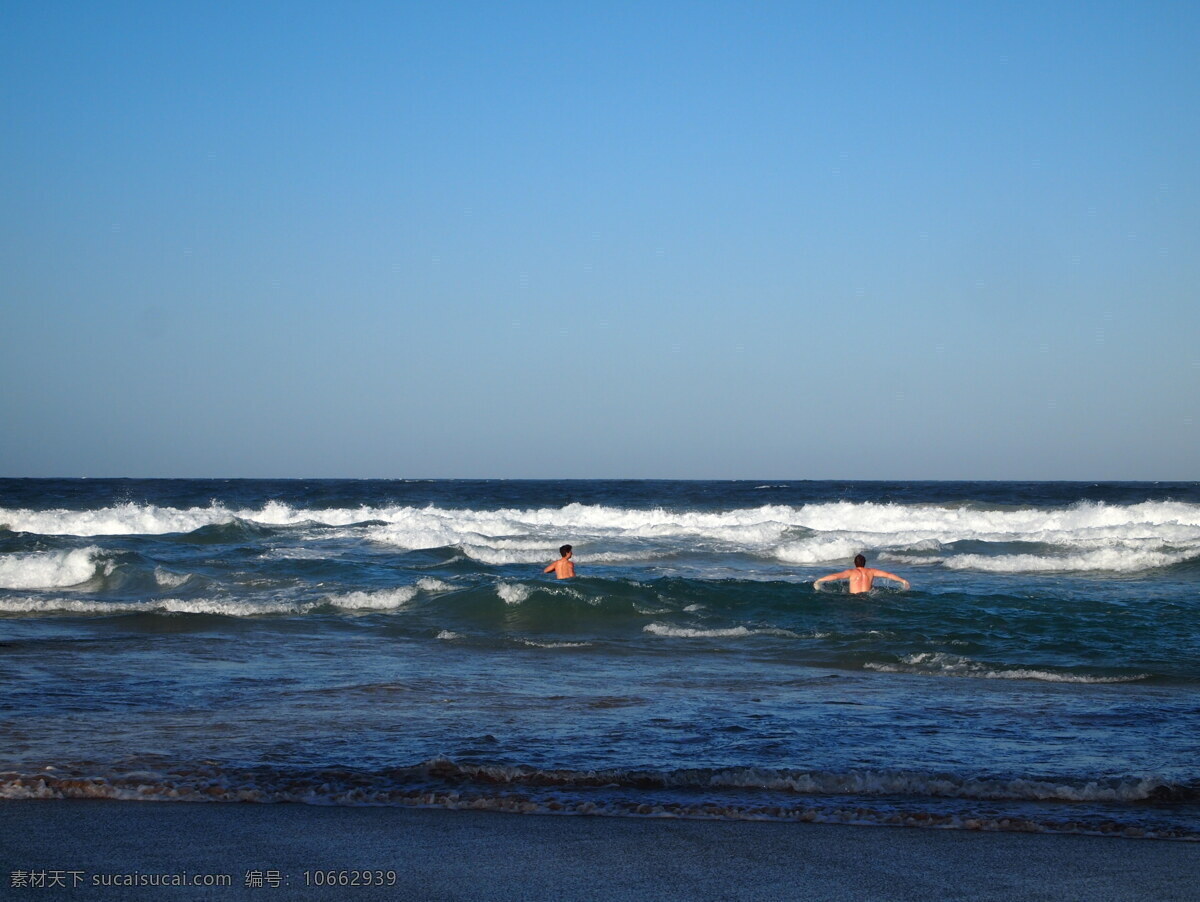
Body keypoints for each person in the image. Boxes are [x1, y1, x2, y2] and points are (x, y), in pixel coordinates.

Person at [814, 554, 909, 593]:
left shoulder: (851, 572)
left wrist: (820, 580)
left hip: (854, 599)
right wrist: (902, 580)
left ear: (855, 563)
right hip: (868, 597)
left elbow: (835, 576)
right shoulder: (871, 571)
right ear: (865, 562)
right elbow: (888, 575)